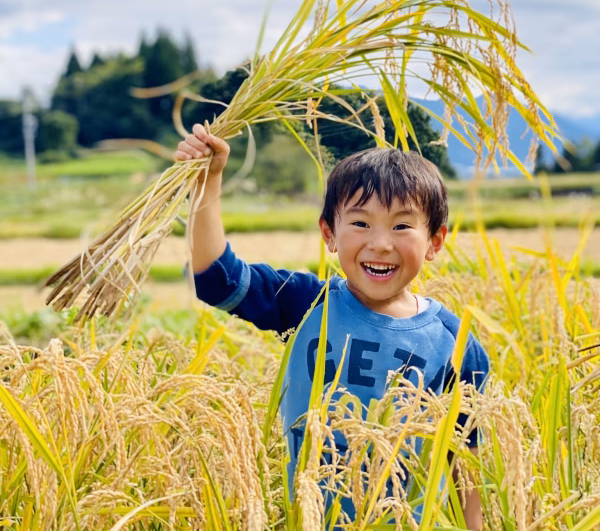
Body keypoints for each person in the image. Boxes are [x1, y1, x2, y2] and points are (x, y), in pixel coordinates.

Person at [175, 124, 489, 529]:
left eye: (401, 226)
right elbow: (216, 279)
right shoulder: (306, 304)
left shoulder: (455, 344)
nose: (380, 243)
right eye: (360, 223)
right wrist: (207, 181)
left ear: (435, 241)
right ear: (329, 234)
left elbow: (467, 461)